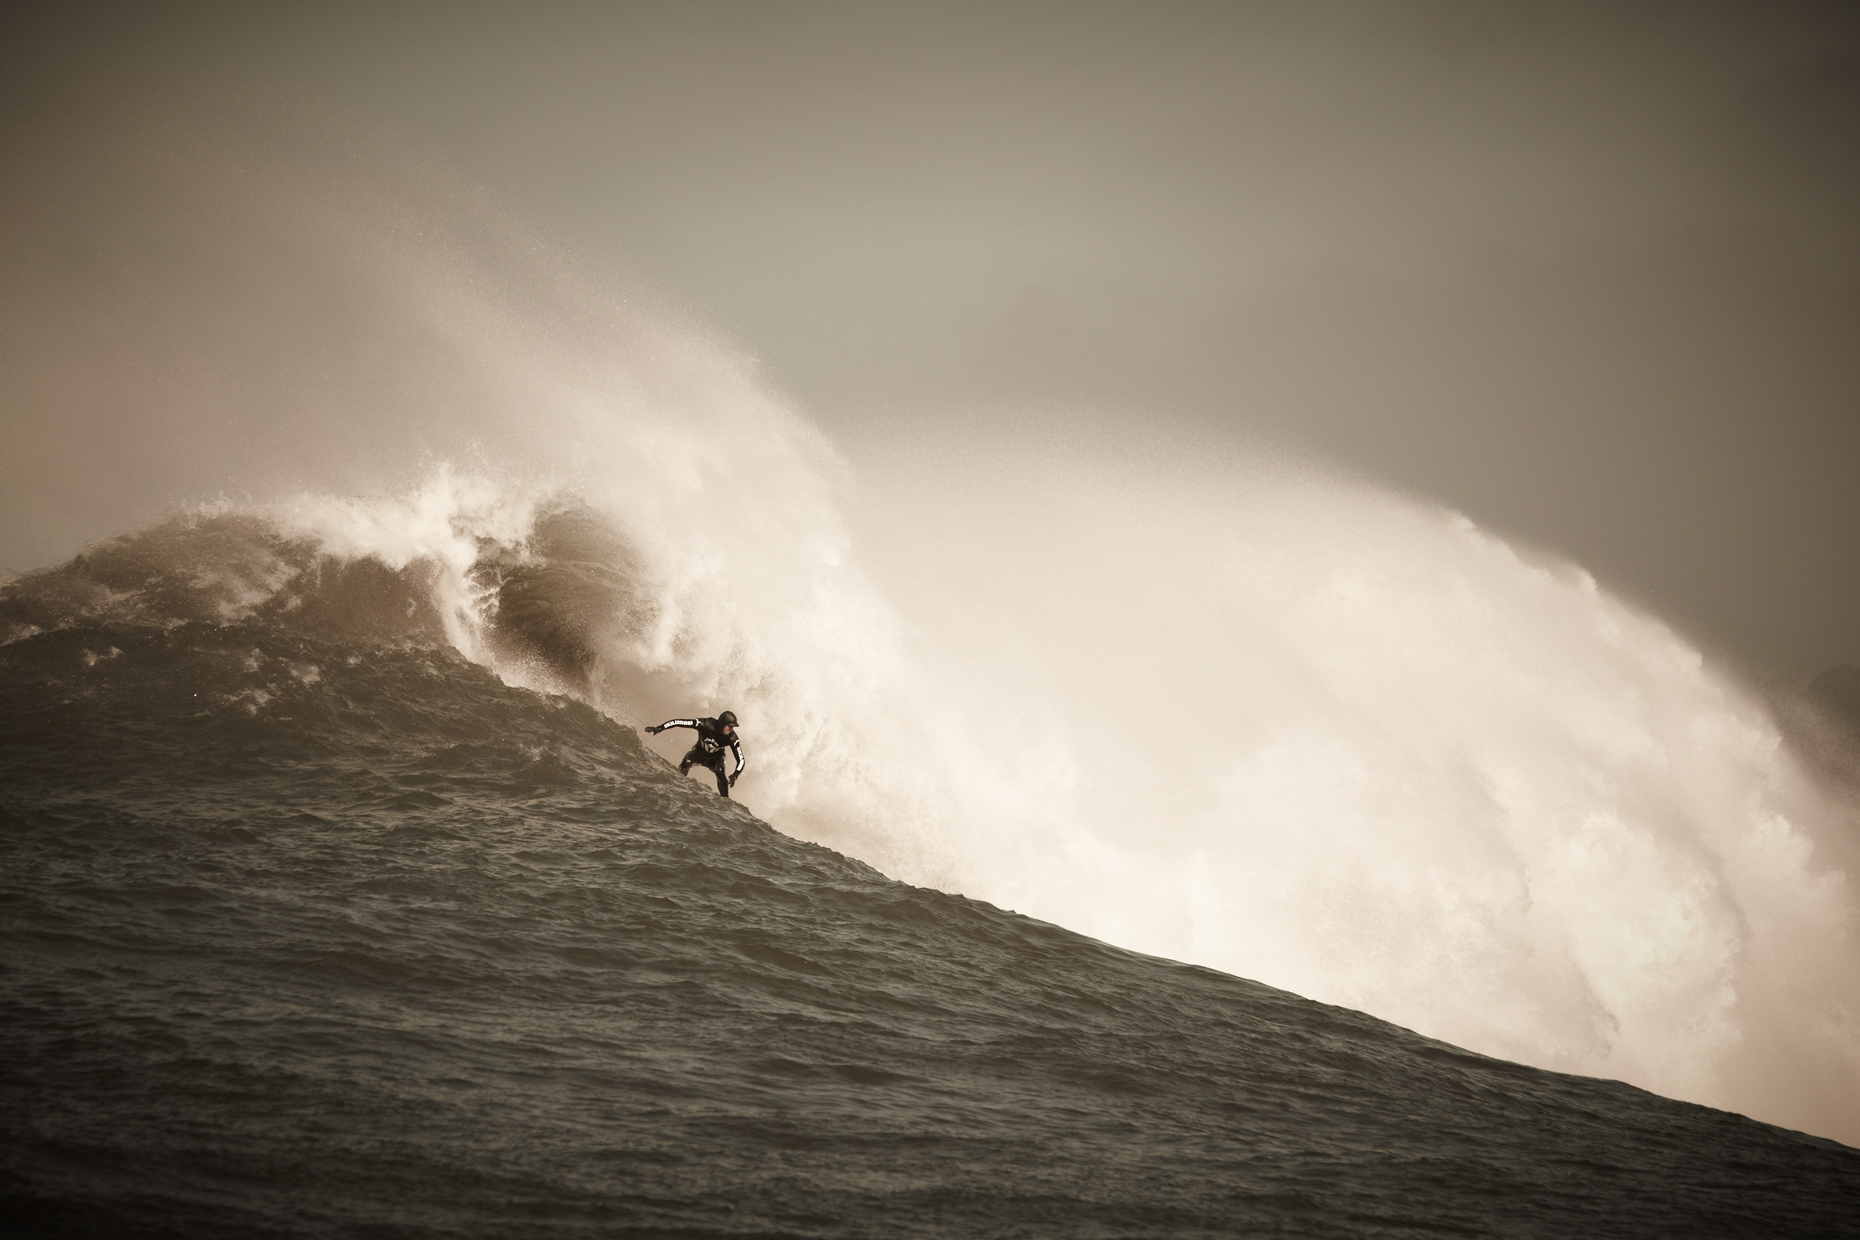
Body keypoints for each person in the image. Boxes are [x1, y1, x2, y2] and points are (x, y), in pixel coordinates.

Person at [645, 710, 745, 797]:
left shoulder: (732, 738)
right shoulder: (704, 724)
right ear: (723, 724)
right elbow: (679, 722)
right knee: (686, 761)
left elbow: (741, 760)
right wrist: (659, 728)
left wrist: (735, 775)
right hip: (699, 753)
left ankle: (725, 801)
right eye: (730, 726)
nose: (732, 730)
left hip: (716, 759)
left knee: (719, 771)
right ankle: (676, 787)